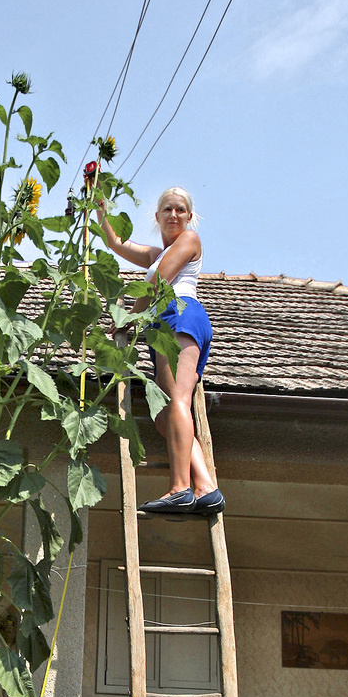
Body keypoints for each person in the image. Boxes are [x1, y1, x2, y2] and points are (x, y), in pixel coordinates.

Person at [98, 186, 224, 515]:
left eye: (180, 209)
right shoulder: (156, 254)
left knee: (178, 402)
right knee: (164, 416)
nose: (174, 215)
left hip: (180, 313)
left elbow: (159, 284)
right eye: (167, 209)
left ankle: (180, 486)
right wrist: (99, 208)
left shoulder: (189, 240)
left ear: (190, 216)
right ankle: (205, 486)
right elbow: (115, 243)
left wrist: (128, 317)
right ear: (157, 217)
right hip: (165, 324)